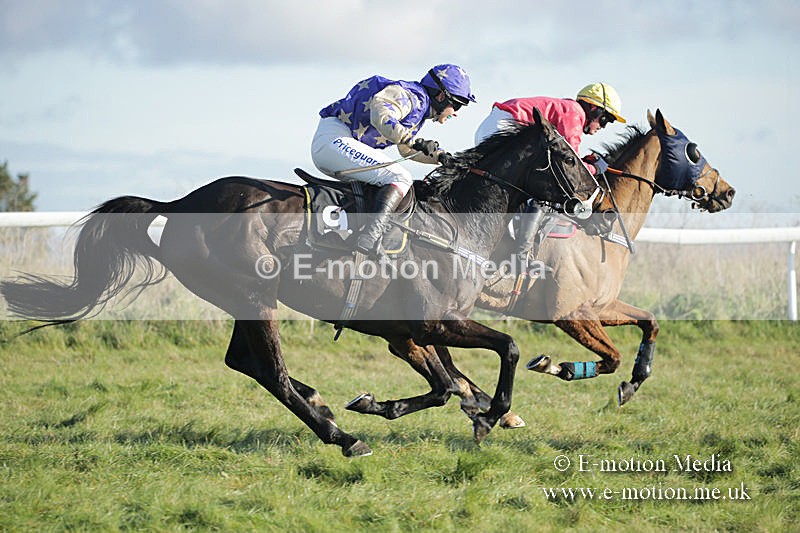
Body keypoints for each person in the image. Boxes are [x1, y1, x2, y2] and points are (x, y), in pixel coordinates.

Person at [312, 63, 476, 255]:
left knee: (390, 180)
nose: (456, 112)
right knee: (400, 177)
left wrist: (439, 157)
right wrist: (413, 140)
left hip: (340, 143)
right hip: (335, 139)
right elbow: (381, 113)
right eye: (456, 105)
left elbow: (406, 150)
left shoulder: (419, 110)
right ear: (441, 96)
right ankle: (369, 239)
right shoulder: (411, 95)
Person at [473, 82, 626, 263]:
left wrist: (587, 163)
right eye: (605, 119)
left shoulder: (568, 110)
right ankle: (521, 255)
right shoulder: (574, 114)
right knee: (544, 190)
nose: (603, 126)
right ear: (593, 109)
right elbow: (570, 171)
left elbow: (569, 160)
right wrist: (595, 169)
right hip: (504, 124)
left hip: (497, 123)